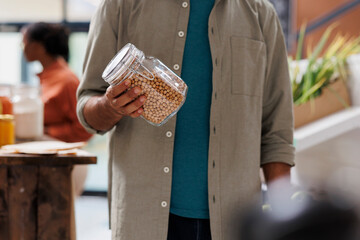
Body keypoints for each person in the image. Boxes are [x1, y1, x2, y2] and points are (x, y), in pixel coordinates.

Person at [76, 0, 295, 239]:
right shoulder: (120, 5)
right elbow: (88, 108)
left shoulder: (261, 13)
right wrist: (111, 106)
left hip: (236, 220)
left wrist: (285, 218)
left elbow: (277, 135)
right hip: (144, 218)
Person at [21, 22, 93, 197]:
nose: (22, 49)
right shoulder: (46, 78)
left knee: (57, 221)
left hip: (65, 164)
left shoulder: (67, 80)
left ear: (38, 46)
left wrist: (44, 132)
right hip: (51, 163)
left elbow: (85, 129)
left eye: (24, 43)